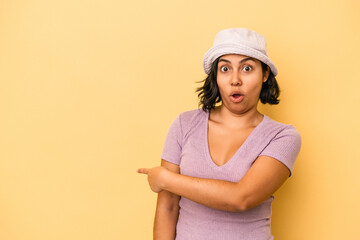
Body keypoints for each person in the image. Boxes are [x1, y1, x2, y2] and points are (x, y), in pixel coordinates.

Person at [137, 28, 301, 240]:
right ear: (216, 75)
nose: (235, 80)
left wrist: (165, 179)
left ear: (265, 74)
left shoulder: (282, 137)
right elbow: (167, 208)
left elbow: (240, 198)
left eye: (247, 68)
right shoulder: (184, 125)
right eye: (225, 68)